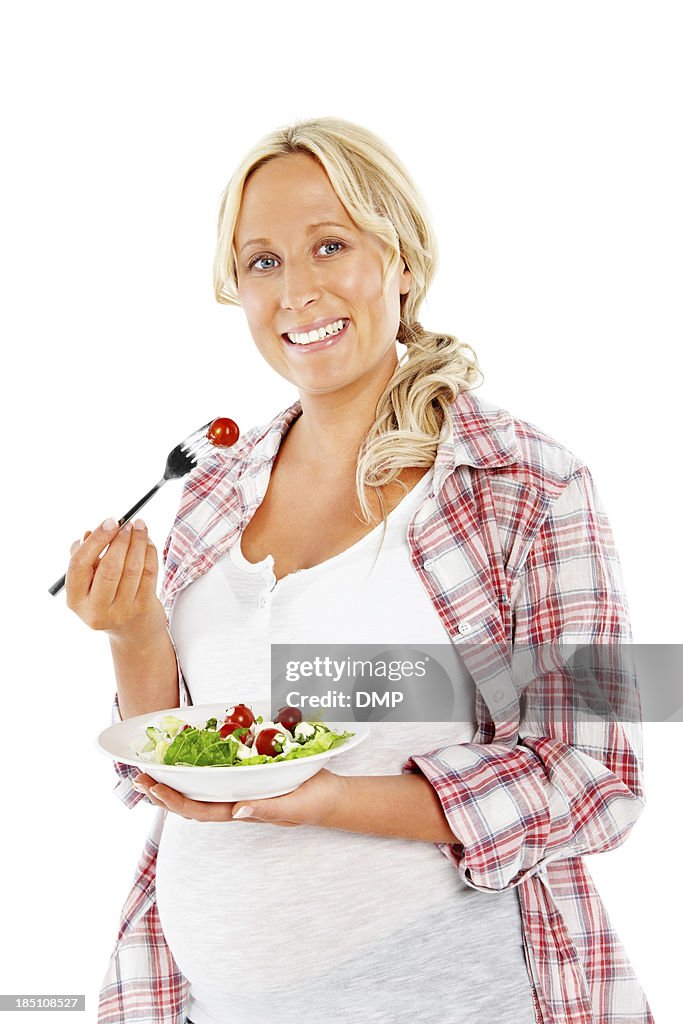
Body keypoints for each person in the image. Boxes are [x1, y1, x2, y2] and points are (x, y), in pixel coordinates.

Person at [66, 117, 653, 1024]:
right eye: (262, 262)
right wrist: (134, 633)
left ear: (403, 261)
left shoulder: (528, 484)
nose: (296, 291)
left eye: (329, 246)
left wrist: (334, 797)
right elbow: (176, 757)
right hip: (201, 1001)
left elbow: (594, 776)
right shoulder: (214, 491)